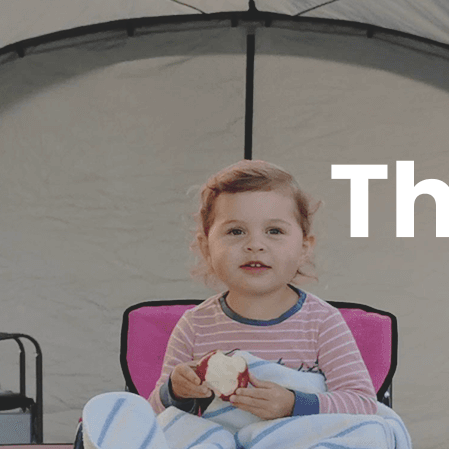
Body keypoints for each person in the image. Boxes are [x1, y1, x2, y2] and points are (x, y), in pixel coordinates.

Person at [150, 159, 376, 419]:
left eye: (274, 231)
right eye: (236, 231)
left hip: (303, 443)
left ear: (304, 248)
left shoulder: (321, 323)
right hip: (220, 444)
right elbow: (153, 416)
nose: (255, 244)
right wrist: (175, 391)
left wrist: (294, 405)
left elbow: (363, 404)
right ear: (206, 247)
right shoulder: (195, 327)